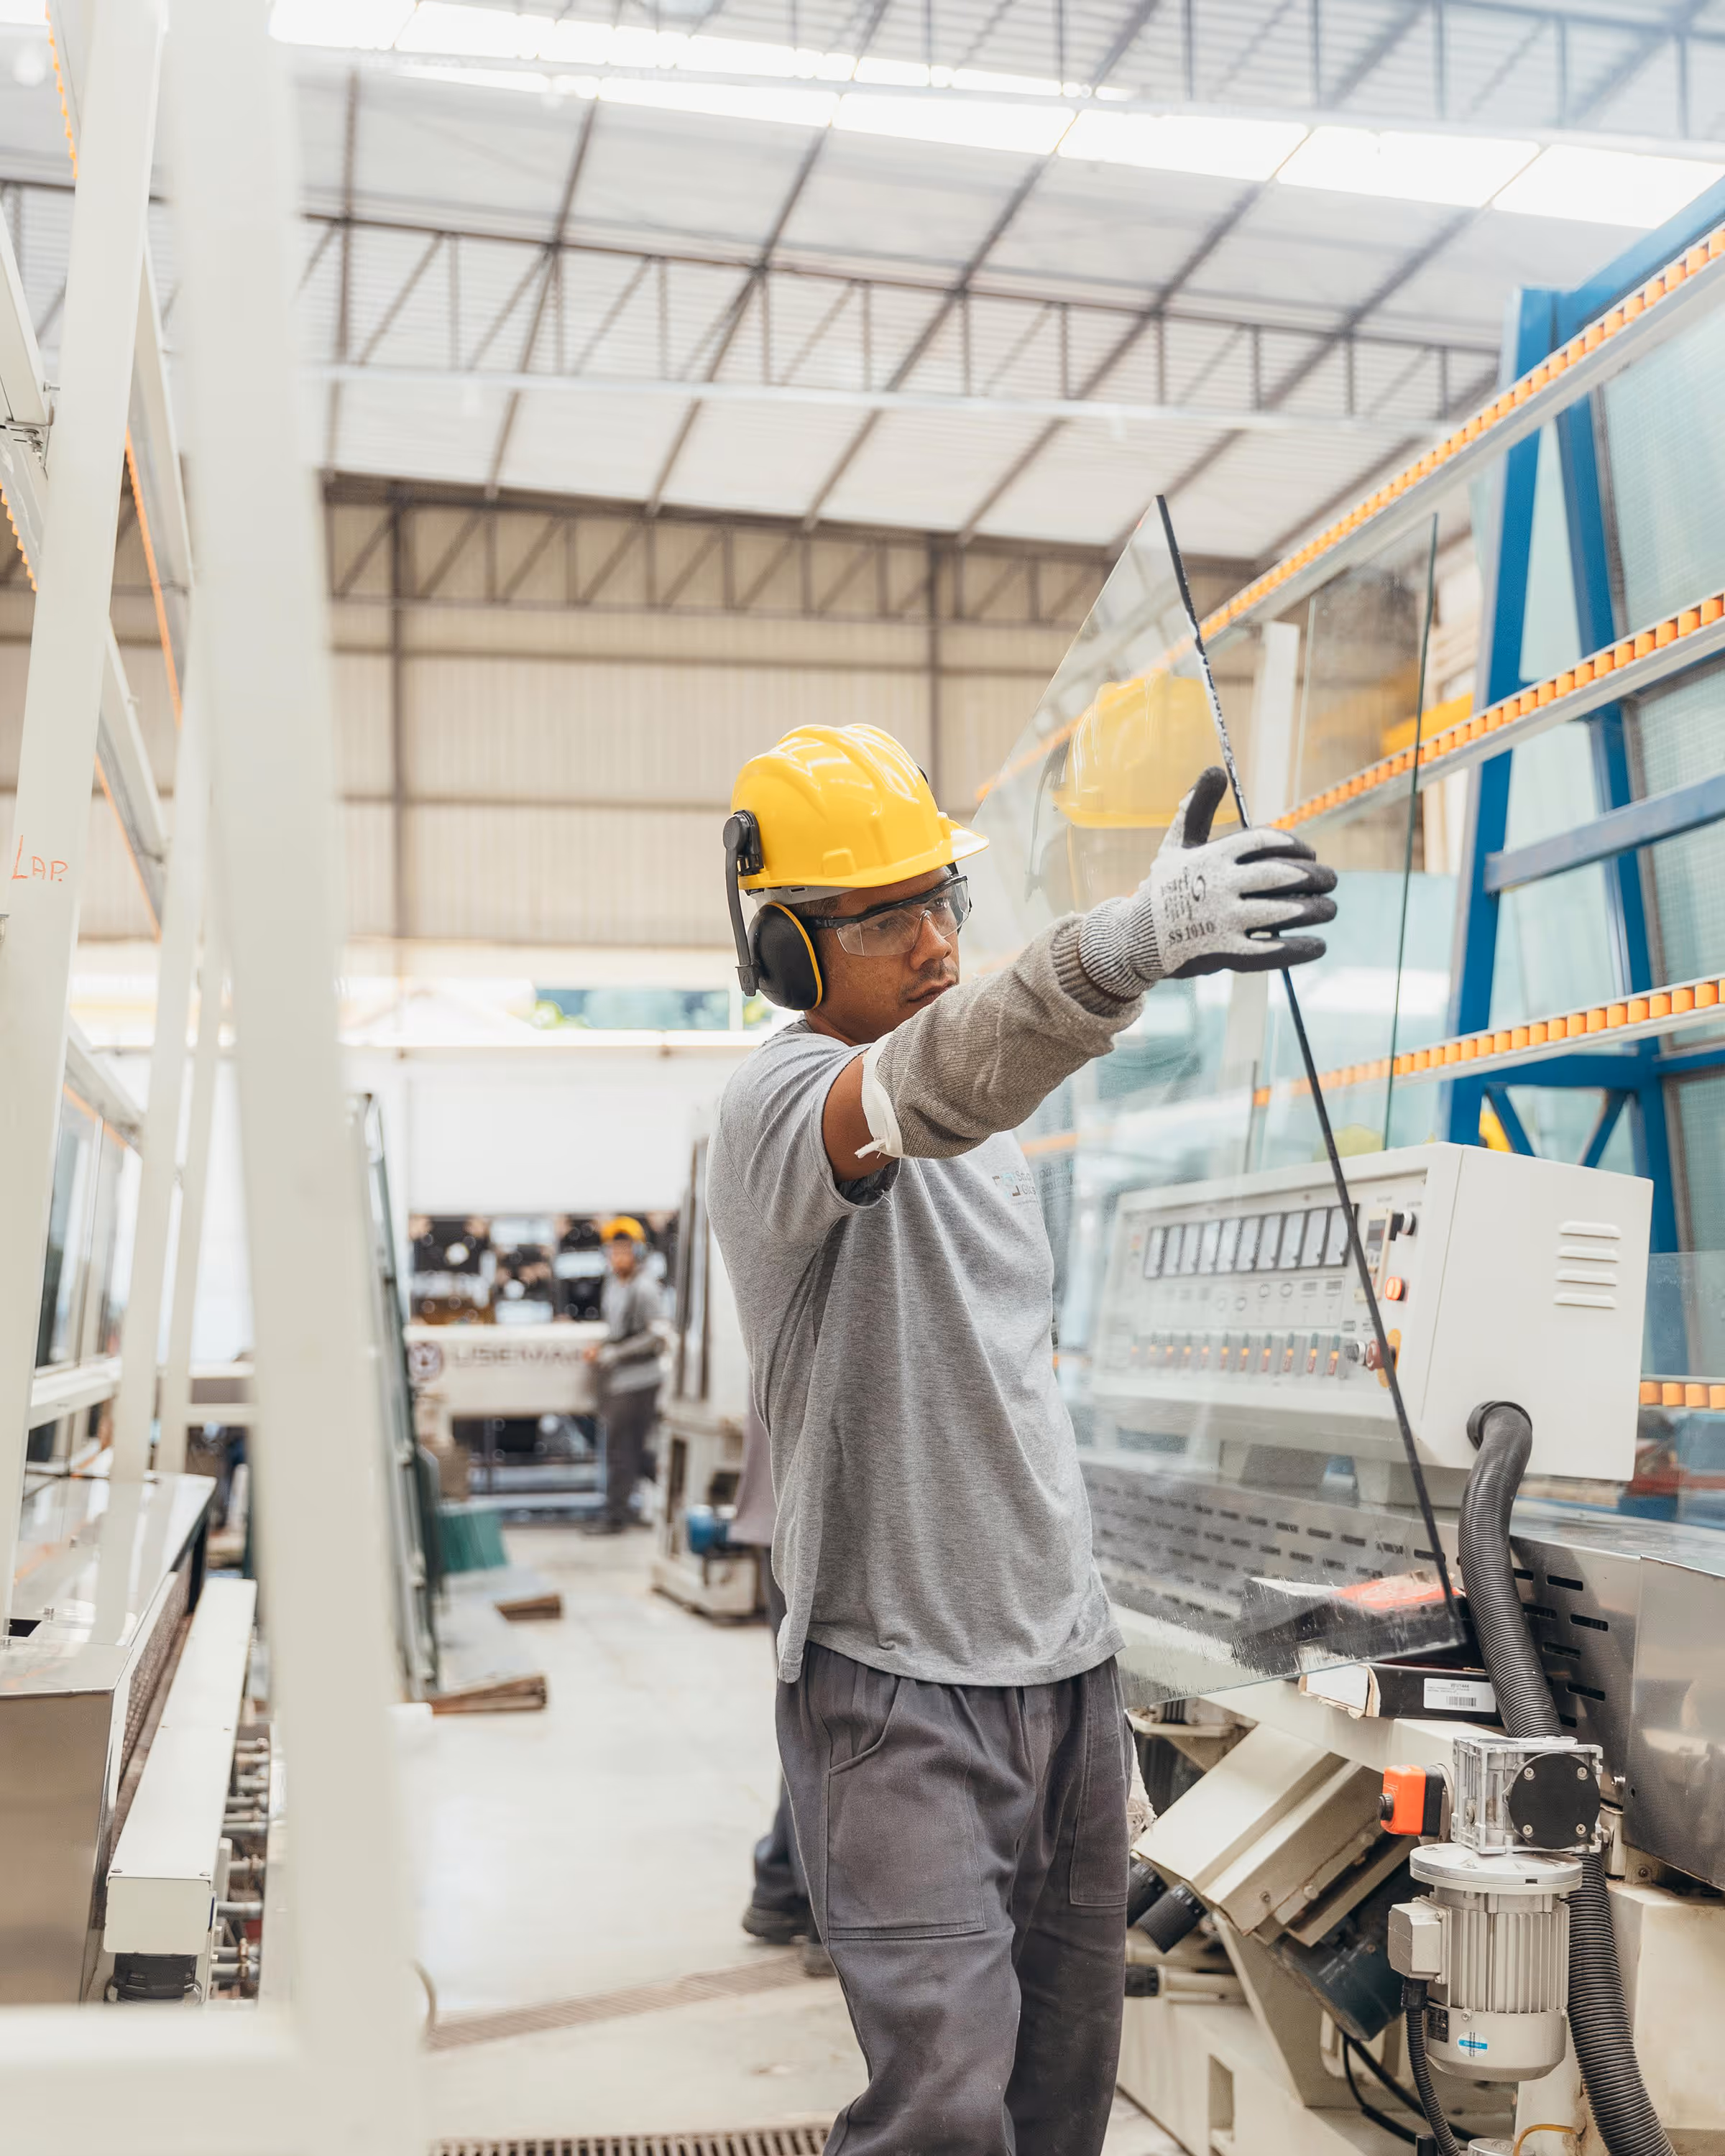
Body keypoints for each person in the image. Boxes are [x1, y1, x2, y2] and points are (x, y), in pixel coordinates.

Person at [706, 723, 1335, 2156]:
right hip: (898, 1694)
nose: (933, 942)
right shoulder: (784, 1108)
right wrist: (1127, 940)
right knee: (942, 2114)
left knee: (1063, 2104)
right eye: (886, 915)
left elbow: (976, 1083)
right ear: (792, 952)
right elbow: (925, 1081)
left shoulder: (984, 1131)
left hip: (1067, 1680)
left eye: (946, 902)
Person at [732, 1396, 834, 1976]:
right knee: (836, 1721)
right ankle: (830, 1915)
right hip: (820, 1523)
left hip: (790, 1514)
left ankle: (780, 1883)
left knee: (812, 1713)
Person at [581, 1217, 663, 1533]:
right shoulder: (614, 1285)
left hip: (639, 1380)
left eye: (625, 1251)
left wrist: (614, 1353)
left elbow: (655, 1336)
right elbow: (616, 1331)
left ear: (639, 1253)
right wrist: (602, 1346)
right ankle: (624, 1506)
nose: (618, 1258)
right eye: (613, 1252)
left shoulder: (645, 1289)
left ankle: (615, 1515)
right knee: (631, 1450)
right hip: (618, 1379)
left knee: (621, 1448)